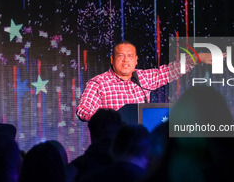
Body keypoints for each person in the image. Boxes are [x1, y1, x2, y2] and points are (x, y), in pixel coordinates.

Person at [76, 41, 215, 122]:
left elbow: (169, 71)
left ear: (136, 60)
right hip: (111, 148)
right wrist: (109, 120)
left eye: (130, 56)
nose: (126, 60)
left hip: (141, 147)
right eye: (121, 56)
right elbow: (83, 110)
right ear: (112, 59)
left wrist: (197, 58)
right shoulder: (98, 83)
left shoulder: (142, 78)